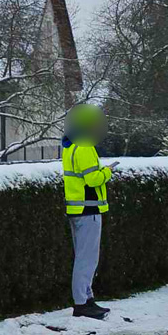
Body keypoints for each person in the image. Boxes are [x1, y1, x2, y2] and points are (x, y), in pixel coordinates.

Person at [62, 103, 115, 320]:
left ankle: (87, 298)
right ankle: (82, 303)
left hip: (78, 209)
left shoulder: (70, 146)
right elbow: (92, 179)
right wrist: (108, 172)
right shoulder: (84, 147)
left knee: (84, 258)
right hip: (89, 209)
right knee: (87, 260)